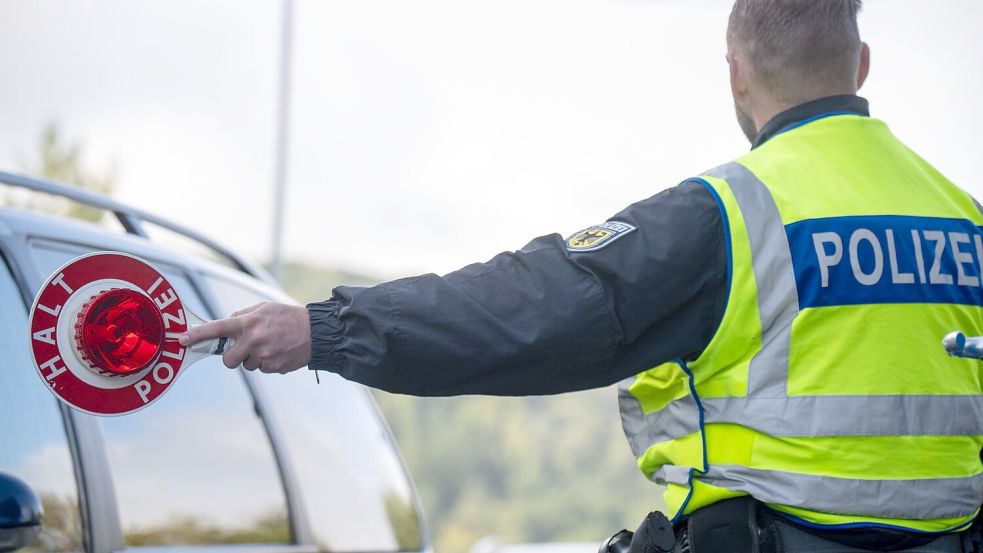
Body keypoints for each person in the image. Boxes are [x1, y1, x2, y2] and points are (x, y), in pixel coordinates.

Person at [182, 1, 983, 551]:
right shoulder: (964, 218)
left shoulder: (728, 214)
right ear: (861, 64)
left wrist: (323, 328)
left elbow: (522, 310)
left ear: (736, 72)